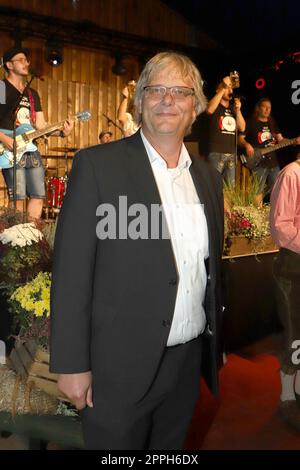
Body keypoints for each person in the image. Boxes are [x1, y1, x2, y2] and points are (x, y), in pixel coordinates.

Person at [50, 51, 224, 450]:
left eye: (179, 92)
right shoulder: (97, 166)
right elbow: (73, 271)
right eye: (156, 90)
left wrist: (215, 346)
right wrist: (72, 364)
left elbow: (208, 270)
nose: (167, 100)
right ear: (140, 101)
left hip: (185, 364)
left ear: (195, 106)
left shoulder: (209, 178)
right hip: (118, 367)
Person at [0, 46, 73, 220]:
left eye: (27, 60)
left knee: (38, 195)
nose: (26, 63)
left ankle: (31, 240)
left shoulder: (32, 94)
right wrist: (4, 138)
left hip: (31, 149)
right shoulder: (1, 88)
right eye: (21, 60)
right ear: (9, 65)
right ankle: (14, 241)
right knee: (17, 198)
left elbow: (41, 126)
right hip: (9, 146)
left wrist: (62, 132)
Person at [270, 151, 300, 429]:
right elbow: (280, 226)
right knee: (294, 333)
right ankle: (287, 396)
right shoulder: (291, 174)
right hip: (292, 266)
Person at [239, 98, 286, 206]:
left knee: (276, 190)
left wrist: (293, 141)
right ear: (258, 108)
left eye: (269, 108)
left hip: (273, 163)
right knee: (258, 190)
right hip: (259, 163)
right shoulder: (251, 122)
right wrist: (247, 145)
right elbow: (240, 138)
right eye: (265, 107)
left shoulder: (272, 123)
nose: (267, 109)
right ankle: (257, 216)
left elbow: (281, 139)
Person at [205, 75, 245, 187]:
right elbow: (209, 109)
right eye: (227, 87)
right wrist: (223, 87)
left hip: (231, 154)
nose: (230, 90)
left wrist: (238, 111)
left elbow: (242, 128)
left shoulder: (233, 109)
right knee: (213, 187)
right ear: (219, 90)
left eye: (231, 88)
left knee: (230, 190)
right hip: (216, 153)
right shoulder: (215, 105)